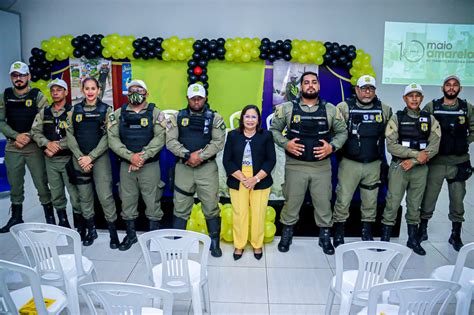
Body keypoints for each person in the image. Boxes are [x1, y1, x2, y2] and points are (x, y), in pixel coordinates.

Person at [270, 71, 348, 255]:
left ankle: (325, 237)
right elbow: (274, 130)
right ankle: (286, 235)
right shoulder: (287, 108)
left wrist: (332, 147)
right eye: (306, 82)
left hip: (321, 167)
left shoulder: (330, 110)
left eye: (314, 82)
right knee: (292, 202)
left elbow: (342, 132)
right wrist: (285, 143)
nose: (310, 85)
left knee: (323, 203)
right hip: (295, 165)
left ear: (319, 86)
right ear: (301, 86)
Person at [166, 83, 226, 257]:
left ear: (205, 98)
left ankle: (214, 243)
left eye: (200, 98)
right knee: (180, 207)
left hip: (207, 169)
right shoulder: (176, 117)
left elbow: (218, 142)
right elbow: (170, 141)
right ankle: (178, 245)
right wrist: (187, 155)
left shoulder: (215, 118)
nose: (197, 101)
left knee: (211, 206)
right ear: (187, 99)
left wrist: (199, 156)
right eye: (193, 98)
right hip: (183, 168)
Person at [381, 83, 440, 255]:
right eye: (410, 95)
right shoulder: (396, 118)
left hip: (420, 169)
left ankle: (413, 240)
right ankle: (385, 240)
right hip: (399, 167)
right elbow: (391, 146)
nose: (414, 98)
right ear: (404, 98)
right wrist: (414, 155)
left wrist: (414, 161)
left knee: (415, 205)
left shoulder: (430, 119)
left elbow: (434, 145)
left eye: (417, 95)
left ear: (422, 98)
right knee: (392, 203)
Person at [332, 75, 392, 246]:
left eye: (371, 88)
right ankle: (339, 233)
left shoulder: (384, 109)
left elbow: (391, 136)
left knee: (370, 200)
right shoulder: (344, 108)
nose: (367, 92)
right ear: (356, 90)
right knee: (343, 198)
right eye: (364, 88)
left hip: (373, 163)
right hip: (350, 163)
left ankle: (366, 233)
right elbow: (335, 132)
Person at [108, 80, 167, 251]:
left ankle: (153, 238)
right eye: (132, 89)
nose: (135, 92)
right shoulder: (117, 114)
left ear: (146, 93)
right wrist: (130, 157)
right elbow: (112, 139)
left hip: (149, 165)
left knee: (152, 200)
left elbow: (160, 137)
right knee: (127, 201)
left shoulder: (156, 113)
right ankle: (131, 235)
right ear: (127, 94)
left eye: (139, 89)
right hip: (126, 166)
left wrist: (142, 156)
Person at [419, 75, 474, 251]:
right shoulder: (432, 106)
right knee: (429, 198)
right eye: (448, 85)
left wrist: (465, 141)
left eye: (455, 85)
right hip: (436, 162)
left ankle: (455, 234)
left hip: (459, 162)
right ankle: (422, 229)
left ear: (460, 89)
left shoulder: (467, 108)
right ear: (443, 88)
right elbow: (422, 129)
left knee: (457, 200)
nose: (451, 88)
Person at [0, 61, 52, 233]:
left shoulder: (38, 95)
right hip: (13, 146)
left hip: (34, 146)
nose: (19, 79)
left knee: (41, 184)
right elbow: (1, 121)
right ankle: (16, 218)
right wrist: (16, 136)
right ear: (11, 78)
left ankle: (50, 219)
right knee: (15, 185)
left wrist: (28, 136)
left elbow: (44, 118)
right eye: (15, 76)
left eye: (22, 75)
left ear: (28, 76)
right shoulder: (5, 95)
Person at [66, 77, 118, 248]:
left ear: (98, 90)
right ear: (82, 90)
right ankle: (91, 230)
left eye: (93, 88)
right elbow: (70, 135)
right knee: (85, 197)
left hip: (100, 158)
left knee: (105, 196)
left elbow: (108, 136)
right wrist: (81, 157)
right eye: (87, 88)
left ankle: (113, 233)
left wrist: (91, 157)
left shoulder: (107, 110)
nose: (90, 91)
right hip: (79, 158)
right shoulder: (74, 110)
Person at [223, 105, 276, 260]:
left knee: (258, 214)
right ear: (242, 118)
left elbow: (271, 160)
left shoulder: (266, 136)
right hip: (238, 179)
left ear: (258, 120)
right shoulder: (233, 135)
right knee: (240, 214)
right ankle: (239, 245)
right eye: (247, 116)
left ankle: (257, 244)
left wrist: (255, 179)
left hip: (260, 180)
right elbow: (227, 160)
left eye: (254, 117)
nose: (250, 120)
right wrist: (243, 178)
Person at [31, 78, 80, 228]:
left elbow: (77, 135)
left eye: (59, 90)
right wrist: (47, 144)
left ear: (65, 92)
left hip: (68, 160)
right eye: (53, 90)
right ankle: (63, 223)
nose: (55, 93)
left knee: (75, 194)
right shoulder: (43, 112)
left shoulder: (73, 112)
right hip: (50, 161)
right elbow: (35, 132)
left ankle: (80, 225)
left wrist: (57, 145)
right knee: (56, 194)